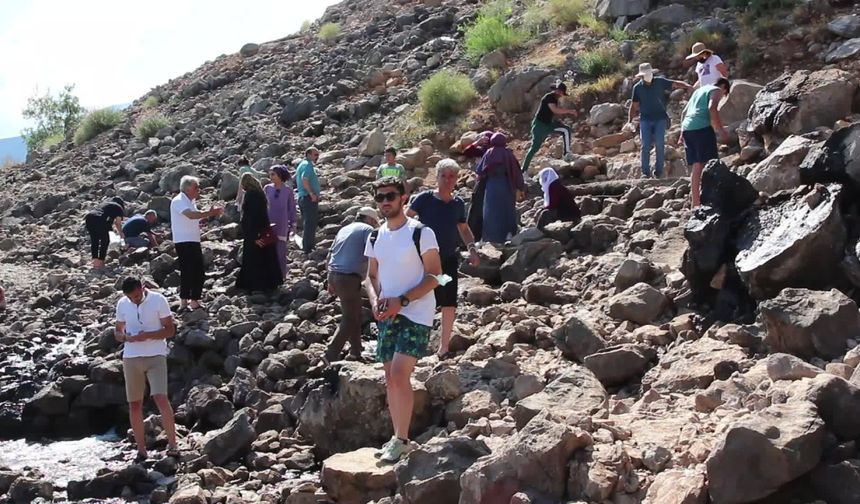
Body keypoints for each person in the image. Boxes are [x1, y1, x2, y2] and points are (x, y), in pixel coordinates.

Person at [365, 176, 442, 462]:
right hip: (388, 313)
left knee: (399, 373)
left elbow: (436, 276)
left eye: (390, 196)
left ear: (403, 197)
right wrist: (375, 301)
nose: (385, 202)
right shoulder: (375, 236)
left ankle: (402, 438)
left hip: (416, 312)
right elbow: (370, 276)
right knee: (390, 377)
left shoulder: (421, 232)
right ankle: (397, 437)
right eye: (380, 197)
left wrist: (403, 300)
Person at [407, 159, 479, 359]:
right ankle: (413, 345)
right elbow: (407, 218)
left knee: (448, 301)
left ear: (456, 179)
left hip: (447, 261)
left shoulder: (457, 204)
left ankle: (444, 348)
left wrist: (472, 249)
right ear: (437, 177)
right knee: (421, 298)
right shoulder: (425, 199)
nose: (447, 180)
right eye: (443, 176)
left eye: (452, 176)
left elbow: (463, 228)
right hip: (424, 262)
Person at [114, 277, 178, 462]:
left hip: (156, 355)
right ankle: (141, 450)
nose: (134, 300)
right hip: (131, 357)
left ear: (142, 288)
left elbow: (170, 330)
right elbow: (117, 332)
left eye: (136, 296)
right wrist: (126, 338)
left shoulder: (158, 300)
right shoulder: (122, 303)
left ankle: (173, 445)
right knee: (134, 404)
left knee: (160, 398)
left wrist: (148, 335)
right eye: (130, 297)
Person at [325, 207, 380, 363]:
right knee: (349, 318)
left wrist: (329, 280)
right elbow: (375, 253)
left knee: (354, 313)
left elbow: (330, 255)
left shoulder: (344, 229)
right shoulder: (368, 230)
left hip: (334, 274)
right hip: (349, 278)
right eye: (375, 222)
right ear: (370, 219)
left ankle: (355, 351)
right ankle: (329, 355)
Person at [627, 63, 692, 178]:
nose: (648, 76)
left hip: (660, 118)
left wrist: (687, 86)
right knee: (645, 145)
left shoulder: (660, 82)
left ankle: (659, 172)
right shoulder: (637, 88)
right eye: (645, 74)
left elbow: (674, 83)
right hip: (645, 119)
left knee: (659, 144)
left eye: (649, 73)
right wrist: (630, 120)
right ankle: (645, 173)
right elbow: (634, 105)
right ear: (641, 76)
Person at [170, 176, 223, 311]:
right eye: (196, 187)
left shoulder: (190, 201)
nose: (198, 190)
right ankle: (184, 301)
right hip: (183, 240)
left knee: (198, 271)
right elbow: (191, 215)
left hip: (193, 239)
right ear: (187, 188)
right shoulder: (179, 200)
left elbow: (194, 217)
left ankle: (194, 300)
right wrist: (209, 213)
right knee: (187, 270)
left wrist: (206, 216)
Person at [680, 78, 731, 208]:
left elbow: (685, 112)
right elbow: (712, 108)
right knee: (711, 163)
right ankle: (712, 198)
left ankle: (695, 202)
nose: (722, 97)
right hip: (701, 128)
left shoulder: (699, 91)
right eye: (724, 95)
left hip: (688, 128)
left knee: (697, 165)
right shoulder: (717, 90)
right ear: (724, 87)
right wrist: (720, 130)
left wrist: (681, 133)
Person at [236, 174, 284, 292]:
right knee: (267, 258)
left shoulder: (249, 195)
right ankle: (271, 284)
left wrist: (253, 235)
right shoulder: (260, 194)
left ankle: (254, 285)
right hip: (264, 230)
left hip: (254, 232)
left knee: (253, 259)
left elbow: (249, 217)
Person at [475, 133, 525, 243]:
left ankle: (491, 238)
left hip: (492, 186)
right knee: (507, 209)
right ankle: (509, 234)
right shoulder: (509, 154)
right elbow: (516, 172)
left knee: (491, 211)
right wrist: (520, 187)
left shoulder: (489, 153)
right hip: (507, 186)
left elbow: (480, 172)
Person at [521, 81, 580, 174]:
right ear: (557, 90)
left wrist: (557, 122)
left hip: (548, 124)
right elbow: (554, 110)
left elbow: (550, 113)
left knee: (566, 130)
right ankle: (523, 170)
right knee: (534, 148)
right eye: (560, 92)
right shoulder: (549, 97)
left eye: (561, 93)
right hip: (540, 126)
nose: (560, 94)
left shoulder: (555, 99)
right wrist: (570, 111)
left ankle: (567, 153)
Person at [265, 165, 298, 279]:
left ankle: (281, 276)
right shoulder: (267, 188)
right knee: (268, 249)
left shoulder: (288, 191)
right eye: (270, 174)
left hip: (282, 224)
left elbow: (292, 208)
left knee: (280, 251)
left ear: (280, 175)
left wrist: (293, 224)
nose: (271, 177)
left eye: (273, 174)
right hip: (268, 223)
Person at [84, 196, 125, 269]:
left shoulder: (105, 204)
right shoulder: (119, 207)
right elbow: (117, 223)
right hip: (99, 219)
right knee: (105, 240)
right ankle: (100, 262)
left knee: (95, 239)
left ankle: (95, 261)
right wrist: (121, 233)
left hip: (89, 217)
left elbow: (108, 222)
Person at [296, 147, 321, 255]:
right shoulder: (308, 165)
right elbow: (304, 179)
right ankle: (308, 248)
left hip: (302, 197)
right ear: (309, 154)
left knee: (307, 222)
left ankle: (307, 246)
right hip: (308, 197)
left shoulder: (302, 164)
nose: (317, 157)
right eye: (315, 155)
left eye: (318, 155)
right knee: (310, 223)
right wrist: (312, 193)